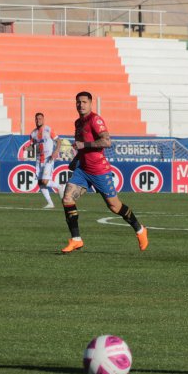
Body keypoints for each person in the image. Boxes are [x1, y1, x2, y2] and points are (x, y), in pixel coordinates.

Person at [60, 91, 148, 253]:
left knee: (114, 207)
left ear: (91, 103)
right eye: (78, 102)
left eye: (84, 102)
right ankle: (76, 239)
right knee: (67, 198)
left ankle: (139, 229)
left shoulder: (95, 119)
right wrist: (75, 160)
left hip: (99, 170)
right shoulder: (78, 123)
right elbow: (81, 147)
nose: (81, 105)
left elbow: (107, 141)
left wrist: (84, 145)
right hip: (83, 170)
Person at [29, 112, 61, 208]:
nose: (38, 120)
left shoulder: (49, 129)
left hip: (49, 158)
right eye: (36, 119)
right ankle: (50, 203)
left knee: (45, 181)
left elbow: (58, 141)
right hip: (39, 160)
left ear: (43, 119)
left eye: (40, 118)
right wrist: (27, 148)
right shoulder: (33, 133)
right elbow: (33, 145)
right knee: (40, 182)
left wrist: (56, 152)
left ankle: (60, 186)